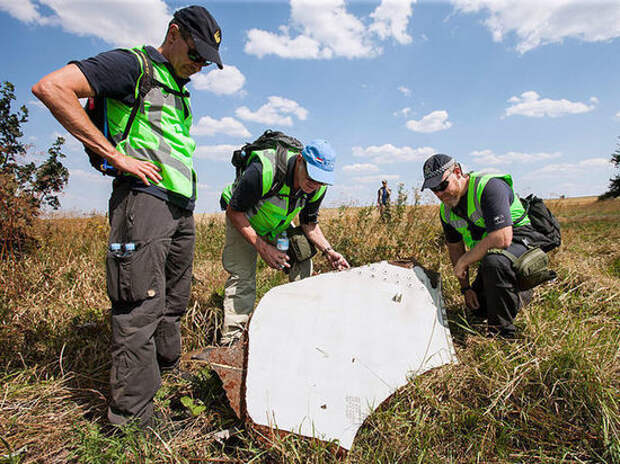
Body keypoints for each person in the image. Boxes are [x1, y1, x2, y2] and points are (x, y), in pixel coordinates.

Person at [32, 5, 224, 426]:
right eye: (196, 55)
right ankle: (133, 420)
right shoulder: (131, 65)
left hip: (178, 206)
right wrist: (115, 155)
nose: (199, 66)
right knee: (140, 308)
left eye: (206, 62)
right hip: (143, 202)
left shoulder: (175, 84)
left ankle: (165, 377)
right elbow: (52, 88)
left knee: (172, 301)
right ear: (174, 33)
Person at [218, 139, 350, 346]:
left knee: (303, 254)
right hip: (244, 219)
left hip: (276, 225)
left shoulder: (317, 188)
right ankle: (231, 340)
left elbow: (309, 224)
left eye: (321, 181)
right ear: (300, 160)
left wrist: (329, 251)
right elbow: (234, 212)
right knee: (243, 276)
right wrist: (263, 248)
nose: (314, 185)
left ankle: (299, 321)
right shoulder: (264, 170)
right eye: (312, 176)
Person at [421, 153, 537, 339]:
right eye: (434, 189)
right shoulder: (447, 211)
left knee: (494, 262)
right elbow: (455, 249)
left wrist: (464, 261)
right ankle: (519, 294)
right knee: (479, 308)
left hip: (521, 242)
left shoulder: (489, 187)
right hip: (493, 254)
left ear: (457, 172)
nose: (440, 193)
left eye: (443, 185)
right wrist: (466, 289)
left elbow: (502, 238)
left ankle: (501, 333)